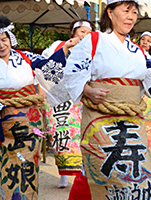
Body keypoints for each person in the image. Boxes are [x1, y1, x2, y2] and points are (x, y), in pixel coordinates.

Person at [52, 0, 151, 199]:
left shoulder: (138, 52)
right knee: (99, 171)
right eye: (126, 11)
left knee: (136, 176)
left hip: (131, 123)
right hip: (100, 120)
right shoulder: (93, 41)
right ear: (110, 13)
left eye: (134, 12)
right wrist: (88, 90)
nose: (131, 16)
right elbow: (72, 74)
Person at [0, 16, 78, 199]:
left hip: (29, 121)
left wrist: (65, 49)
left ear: (10, 38)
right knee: (1, 163)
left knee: (28, 163)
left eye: (4, 39)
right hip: (2, 122)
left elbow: (48, 67)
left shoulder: (26, 57)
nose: (1, 45)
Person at [40, 19, 95, 188]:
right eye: (82, 31)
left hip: (79, 97)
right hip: (58, 98)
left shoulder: (91, 49)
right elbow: (44, 67)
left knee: (82, 136)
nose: (85, 35)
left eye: (88, 32)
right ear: (73, 33)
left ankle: (84, 174)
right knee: (61, 136)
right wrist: (66, 48)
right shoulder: (58, 45)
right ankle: (63, 175)